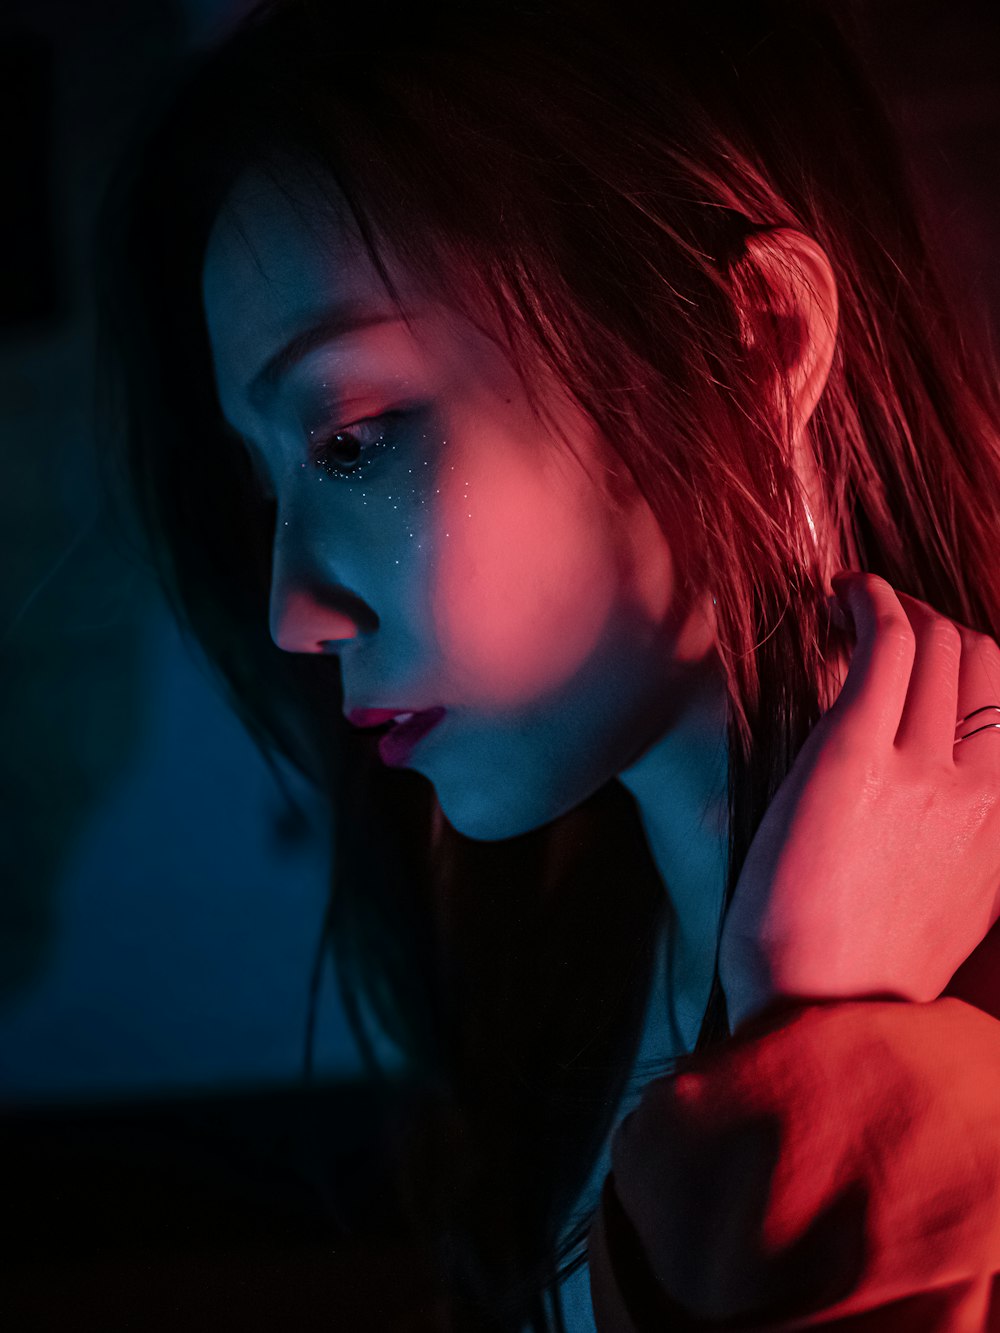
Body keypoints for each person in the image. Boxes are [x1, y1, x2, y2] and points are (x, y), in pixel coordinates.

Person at [96, 0, 1000, 1327]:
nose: (294, 608)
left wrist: (827, 1053)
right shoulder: (551, 961)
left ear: (753, 343)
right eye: (264, 476)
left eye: (353, 438)